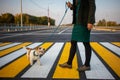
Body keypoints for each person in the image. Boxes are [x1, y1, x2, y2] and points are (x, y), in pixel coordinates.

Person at [59, 0, 96, 71]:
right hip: (77, 22)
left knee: (86, 43)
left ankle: (87, 65)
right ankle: (69, 63)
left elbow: (92, 7)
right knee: (73, 42)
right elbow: (78, 7)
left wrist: (90, 21)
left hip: (84, 22)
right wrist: (71, 6)